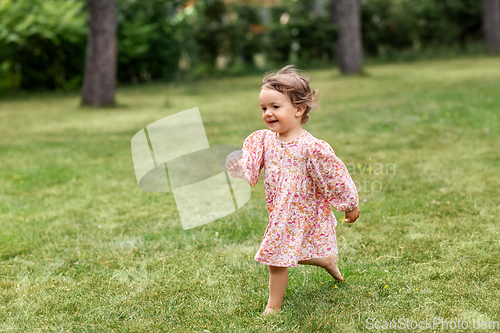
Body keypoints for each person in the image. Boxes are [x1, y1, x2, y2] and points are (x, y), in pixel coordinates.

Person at [225, 64, 360, 315]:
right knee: (285, 251)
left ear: (298, 109)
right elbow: (251, 164)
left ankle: (273, 307)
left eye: (275, 107)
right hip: (280, 210)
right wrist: (240, 167)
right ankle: (326, 260)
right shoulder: (264, 140)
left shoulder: (311, 147)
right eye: (264, 108)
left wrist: (350, 205)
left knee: (276, 256)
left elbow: (335, 176)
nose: (268, 113)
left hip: (303, 211)